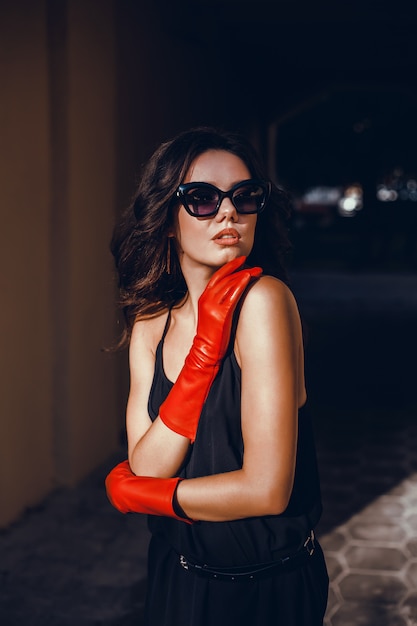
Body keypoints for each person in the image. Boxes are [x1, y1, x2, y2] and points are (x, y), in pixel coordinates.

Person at [105, 127, 329, 626]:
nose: (228, 212)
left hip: (264, 588)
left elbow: (267, 489)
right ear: (166, 219)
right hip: (174, 574)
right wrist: (203, 356)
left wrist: (149, 498)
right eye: (201, 199)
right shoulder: (150, 322)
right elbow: (147, 463)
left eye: (245, 197)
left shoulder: (265, 303)